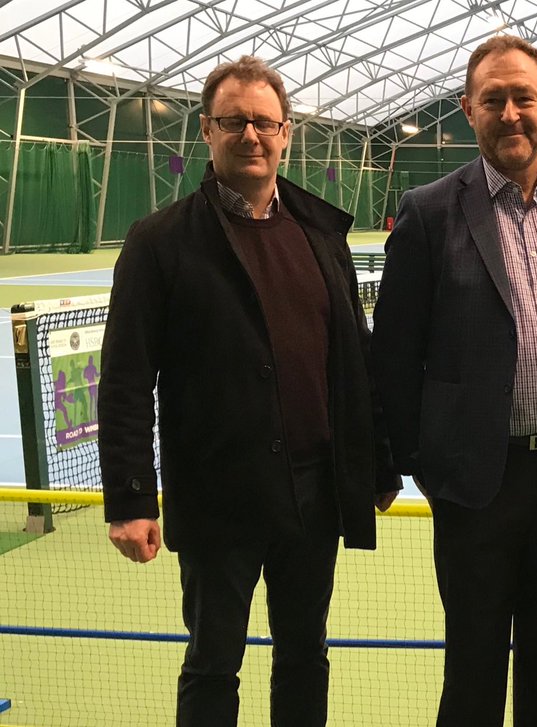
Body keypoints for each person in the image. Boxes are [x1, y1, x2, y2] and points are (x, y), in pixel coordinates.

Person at [98, 56, 398, 727]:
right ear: (207, 130)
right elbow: (123, 380)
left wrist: (377, 461)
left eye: (264, 122)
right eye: (234, 121)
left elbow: (356, 357)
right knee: (212, 664)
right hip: (217, 496)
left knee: (304, 655)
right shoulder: (159, 242)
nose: (251, 135)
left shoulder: (321, 235)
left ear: (287, 132)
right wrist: (129, 498)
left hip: (313, 496)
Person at [370, 35, 537, 727]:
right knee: (474, 669)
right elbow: (393, 355)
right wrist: (416, 463)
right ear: (467, 109)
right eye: (494, 99)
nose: (510, 113)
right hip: (475, 480)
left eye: (523, 97)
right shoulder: (428, 211)